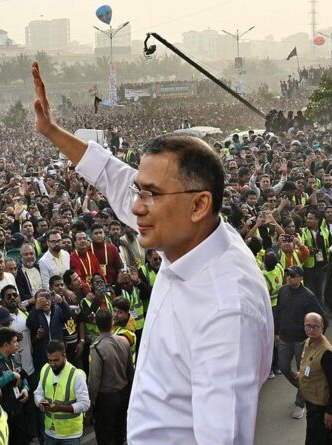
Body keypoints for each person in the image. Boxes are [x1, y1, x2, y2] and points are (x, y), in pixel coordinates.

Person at [32, 62, 273, 443]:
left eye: (151, 194)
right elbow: (111, 174)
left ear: (199, 204)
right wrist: (51, 130)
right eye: (138, 191)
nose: (136, 206)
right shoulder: (188, 234)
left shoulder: (227, 309)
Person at [276, 265, 327, 419]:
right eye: (288, 275)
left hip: (301, 342)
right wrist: (276, 332)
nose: (289, 278)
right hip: (284, 339)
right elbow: (278, 312)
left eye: (292, 276)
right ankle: (306, 389)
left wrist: (316, 340)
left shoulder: (308, 297)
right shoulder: (282, 291)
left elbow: (322, 319)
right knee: (284, 367)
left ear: (300, 278)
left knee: (304, 372)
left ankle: (300, 403)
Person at [88, 309, 132, 445]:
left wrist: (91, 402)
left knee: (105, 436)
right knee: (120, 433)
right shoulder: (124, 341)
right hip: (124, 393)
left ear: (96, 324)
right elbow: (130, 371)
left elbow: (94, 380)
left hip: (106, 399)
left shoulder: (96, 348)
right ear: (111, 322)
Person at [34, 340, 90, 445]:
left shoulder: (76, 375)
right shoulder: (45, 370)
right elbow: (38, 393)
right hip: (49, 433)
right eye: (50, 360)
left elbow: (85, 404)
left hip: (71, 435)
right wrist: (40, 402)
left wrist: (61, 408)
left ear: (64, 355)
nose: (52, 364)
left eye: (56, 360)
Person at [298, 312, 332, 445]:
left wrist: (330, 411)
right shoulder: (308, 341)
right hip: (311, 400)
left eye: (315, 326)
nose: (311, 329)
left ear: (322, 327)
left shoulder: (326, 353)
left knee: (314, 439)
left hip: (319, 406)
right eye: (308, 326)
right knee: (325, 438)